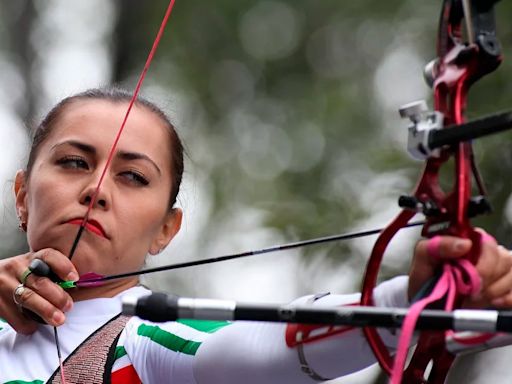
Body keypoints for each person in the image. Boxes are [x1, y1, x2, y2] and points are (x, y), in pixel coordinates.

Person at [0, 87, 511, 384]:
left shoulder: (144, 341)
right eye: (73, 162)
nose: (96, 190)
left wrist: (417, 302)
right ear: (22, 195)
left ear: (165, 230)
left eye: (133, 176)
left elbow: (269, 347)